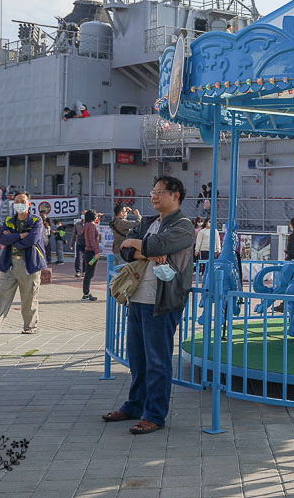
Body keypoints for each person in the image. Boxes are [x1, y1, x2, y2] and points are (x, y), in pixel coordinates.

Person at [101, 176, 194, 434]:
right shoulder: (148, 222)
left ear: (175, 195)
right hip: (137, 299)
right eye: (152, 191)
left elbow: (159, 245)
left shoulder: (184, 227)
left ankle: (154, 414)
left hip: (162, 302)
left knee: (158, 362)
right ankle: (134, 405)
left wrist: (138, 244)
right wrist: (135, 245)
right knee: (138, 360)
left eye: (159, 192)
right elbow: (124, 249)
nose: (154, 196)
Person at [0, 191, 45, 335]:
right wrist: (20, 236)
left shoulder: (36, 221)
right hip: (9, 263)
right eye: (17, 202)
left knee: (29, 297)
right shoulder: (9, 220)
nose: (20, 204)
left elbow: (32, 240)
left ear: (29, 204)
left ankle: (29, 326)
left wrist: (13, 239)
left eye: (23, 201)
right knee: (2, 295)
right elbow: (2, 239)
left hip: (29, 265)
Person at [81, 210, 101, 301]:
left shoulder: (86, 225)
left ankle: (86, 293)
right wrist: (97, 252)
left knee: (88, 273)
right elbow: (92, 240)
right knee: (90, 274)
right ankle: (86, 294)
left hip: (87, 251)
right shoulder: (92, 226)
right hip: (92, 252)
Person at [73, 213, 87, 278]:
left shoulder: (89, 224)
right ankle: (78, 271)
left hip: (87, 243)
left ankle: (84, 271)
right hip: (79, 242)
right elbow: (74, 234)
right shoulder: (77, 224)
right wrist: (72, 243)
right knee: (78, 257)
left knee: (85, 258)